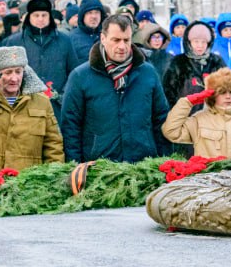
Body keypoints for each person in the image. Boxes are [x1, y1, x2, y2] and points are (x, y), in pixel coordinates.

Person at [61, 14, 169, 163]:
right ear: (103, 38)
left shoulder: (148, 73)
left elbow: (161, 119)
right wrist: (75, 166)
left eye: (126, 40)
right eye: (116, 40)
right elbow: (70, 126)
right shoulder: (81, 76)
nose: (122, 46)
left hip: (143, 164)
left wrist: (164, 162)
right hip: (98, 167)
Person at [162, 68, 231, 158]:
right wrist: (187, 102)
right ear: (213, 95)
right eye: (222, 92)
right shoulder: (199, 120)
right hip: (208, 176)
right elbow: (171, 132)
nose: (228, 96)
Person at [4, 0, 81, 117]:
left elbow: (73, 72)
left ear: (49, 16)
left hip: (56, 108)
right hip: (24, 108)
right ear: (29, 17)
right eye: (36, 15)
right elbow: (6, 73)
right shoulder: (15, 42)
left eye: (44, 15)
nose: (40, 19)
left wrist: (62, 95)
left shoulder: (64, 40)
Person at [162, 19, 227, 108]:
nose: (200, 46)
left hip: (212, 113)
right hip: (186, 113)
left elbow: (226, 87)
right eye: (196, 41)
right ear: (189, 42)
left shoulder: (216, 61)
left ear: (209, 43)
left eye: (203, 42)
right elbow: (168, 91)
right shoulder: (178, 62)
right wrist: (177, 110)